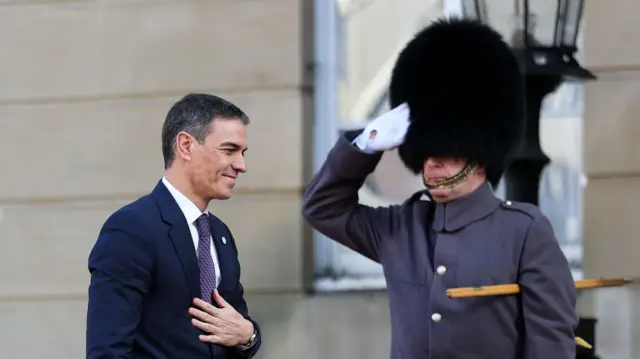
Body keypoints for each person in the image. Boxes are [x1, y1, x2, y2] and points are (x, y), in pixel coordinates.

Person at [302, 18, 578, 359]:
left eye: (447, 153)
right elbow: (321, 207)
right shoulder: (401, 229)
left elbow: (550, 343)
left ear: (479, 155)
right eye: (426, 151)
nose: (432, 163)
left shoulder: (523, 231)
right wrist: (365, 146)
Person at [86, 94, 261, 359]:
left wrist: (249, 336)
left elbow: (232, 331)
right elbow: (107, 351)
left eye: (243, 153)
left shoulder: (220, 234)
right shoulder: (130, 230)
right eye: (229, 150)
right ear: (186, 146)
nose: (241, 165)